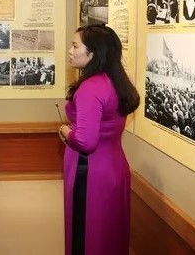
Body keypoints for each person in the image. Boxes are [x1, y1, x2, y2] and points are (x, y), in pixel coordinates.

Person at [58, 23, 140, 255]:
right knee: (110, 232)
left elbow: (86, 141)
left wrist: (66, 132)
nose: (70, 51)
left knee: (87, 233)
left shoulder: (90, 88)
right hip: (114, 165)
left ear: (92, 53)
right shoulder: (116, 81)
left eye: (75, 46)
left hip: (89, 170)